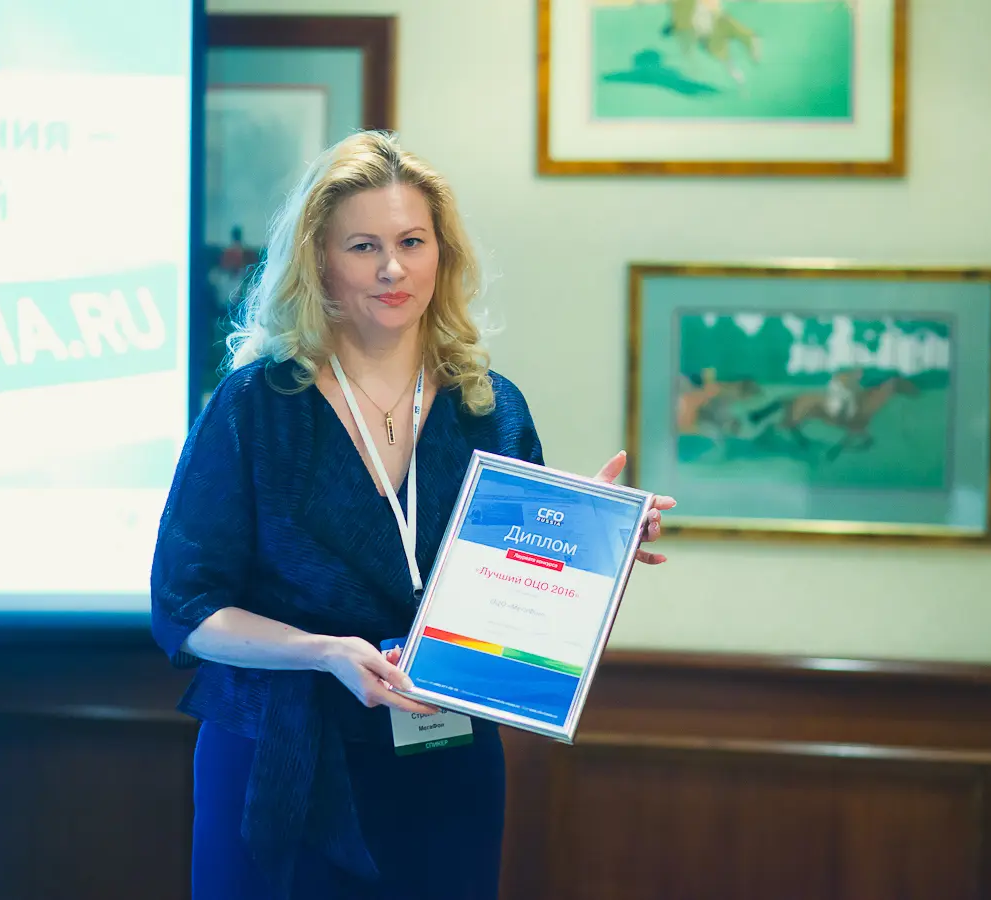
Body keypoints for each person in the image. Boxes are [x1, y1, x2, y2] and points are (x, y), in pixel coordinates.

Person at [149, 130, 675, 900]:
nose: (392, 268)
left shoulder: (491, 409)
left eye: (411, 242)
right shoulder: (255, 406)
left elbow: (523, 621)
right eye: (363, 246)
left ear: (442, 254)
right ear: (319, 259)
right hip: (282, 754)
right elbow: (185, 607)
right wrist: (324, 652)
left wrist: (593, 543)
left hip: (443, 763)